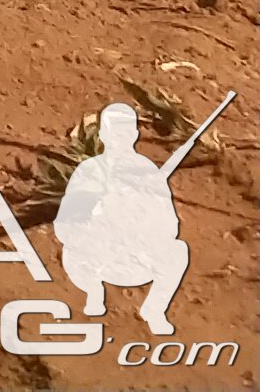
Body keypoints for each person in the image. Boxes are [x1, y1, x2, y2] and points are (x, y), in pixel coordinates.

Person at [52, 102, 190, 335]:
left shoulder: (147, 171)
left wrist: (139, 217)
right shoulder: (90, 169)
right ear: (104, 134)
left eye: (126, 131)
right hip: (97, 256)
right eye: (115, 131)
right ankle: (94, 293)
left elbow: (170, 226)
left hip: (134, 257)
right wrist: (97, 211)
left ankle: (154, 310)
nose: (120, 137)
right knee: (73, 251)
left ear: (136, 134)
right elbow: (65, 225)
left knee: (178, 251)